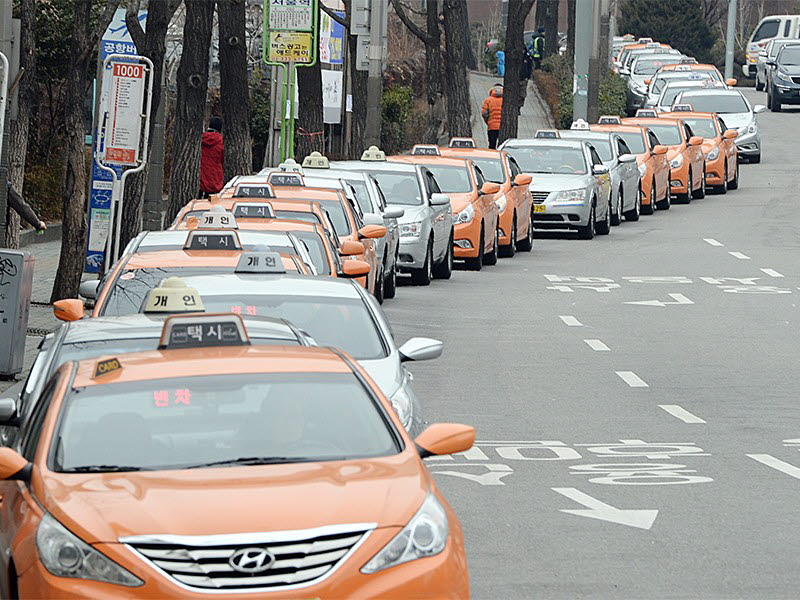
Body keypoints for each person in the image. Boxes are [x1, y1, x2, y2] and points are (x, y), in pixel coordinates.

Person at [199, 116, 224, 198]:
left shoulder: (200, 139)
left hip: (200, 177)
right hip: (215, 178)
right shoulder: (221, 141)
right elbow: (222, 159)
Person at [482, 83, 503, 149]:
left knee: (492, 145)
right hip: (502, 127)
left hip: (492, 127)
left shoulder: (488, 100)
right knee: (502, 146)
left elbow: (484, 113)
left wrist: (488, 122)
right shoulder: (505, 99)